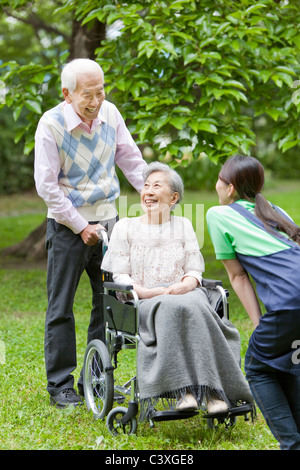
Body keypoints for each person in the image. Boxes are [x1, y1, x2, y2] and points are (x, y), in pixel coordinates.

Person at [34, 58, 147, 408]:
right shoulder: (50, 125)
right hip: (69, 229)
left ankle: (93, 375)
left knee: (108, 303)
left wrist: (152, 192)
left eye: (100, 91)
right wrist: (80, 226)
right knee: (61, 306)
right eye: (88, 94)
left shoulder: (110, 114)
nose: (96, 101)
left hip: (109, 222)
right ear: (67, 93)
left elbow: (130, 158)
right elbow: (47, 186)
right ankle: (60, 386)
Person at [102, 161, 253, 419]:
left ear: (173, 198)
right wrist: (147, 292)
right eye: (146, 186)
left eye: (156, 186)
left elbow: (194, 269)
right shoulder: (125, 226)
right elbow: (120, 275)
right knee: (175, 308)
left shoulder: (182, 225)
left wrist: (186, 284)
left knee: (195, 305)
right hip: (143, 298)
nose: (148, 191)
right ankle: (185, 392)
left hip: (183, 292)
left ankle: (215, 391)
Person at [206, 155, 300, 450]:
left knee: (258, 368)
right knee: (290, 362)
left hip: (289, 304)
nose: (217, 186)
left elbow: (239, 278)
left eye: (220, 180)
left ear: (229, 187)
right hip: (292, 304)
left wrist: (260, 326)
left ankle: (291, 444)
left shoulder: (218, 215)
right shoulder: (276, 211)